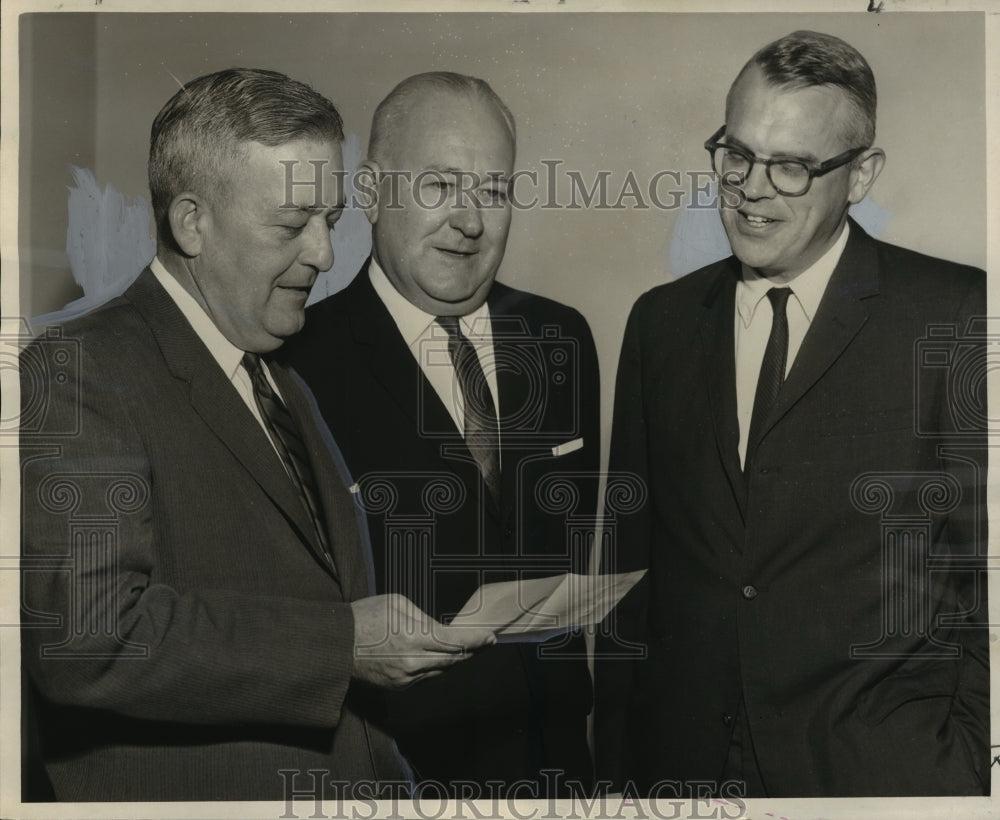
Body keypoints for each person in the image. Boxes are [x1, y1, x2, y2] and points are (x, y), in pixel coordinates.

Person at [19, 67, 495, 803]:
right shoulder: (79, 367)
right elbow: (89, 639)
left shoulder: (281, 377)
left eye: (331, 222)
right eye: (290, 225)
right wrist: (345, 644)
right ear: (191, 222)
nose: (325, 256)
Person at [595, 31, 989, 797]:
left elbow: (983, 576)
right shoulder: (660, 324)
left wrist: (965, 767)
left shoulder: (955, 315)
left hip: (880, 779)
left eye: (792, 167)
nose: (750, 189)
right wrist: (617, 775)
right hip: (684, 779)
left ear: (862, 174)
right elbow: (627, 578)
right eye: (735, 153)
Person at [281, 72, 598, 794]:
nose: (471, 221)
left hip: (558, 776)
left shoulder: (560, 337)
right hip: (390, 781)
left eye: (492, 191)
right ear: (370, 192)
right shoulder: (296, 364)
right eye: (439, 186)